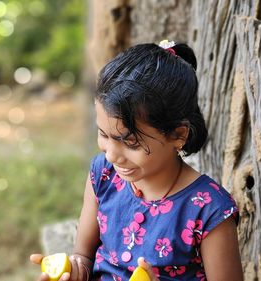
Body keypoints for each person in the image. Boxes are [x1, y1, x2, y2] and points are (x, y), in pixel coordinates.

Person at [30, 40, 243, 281]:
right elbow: (85, 257)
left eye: (130, 142)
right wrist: (74, 269)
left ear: (178, 135)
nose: (111, 154)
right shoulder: (103, 174)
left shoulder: (208, 209)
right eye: (104, 134)